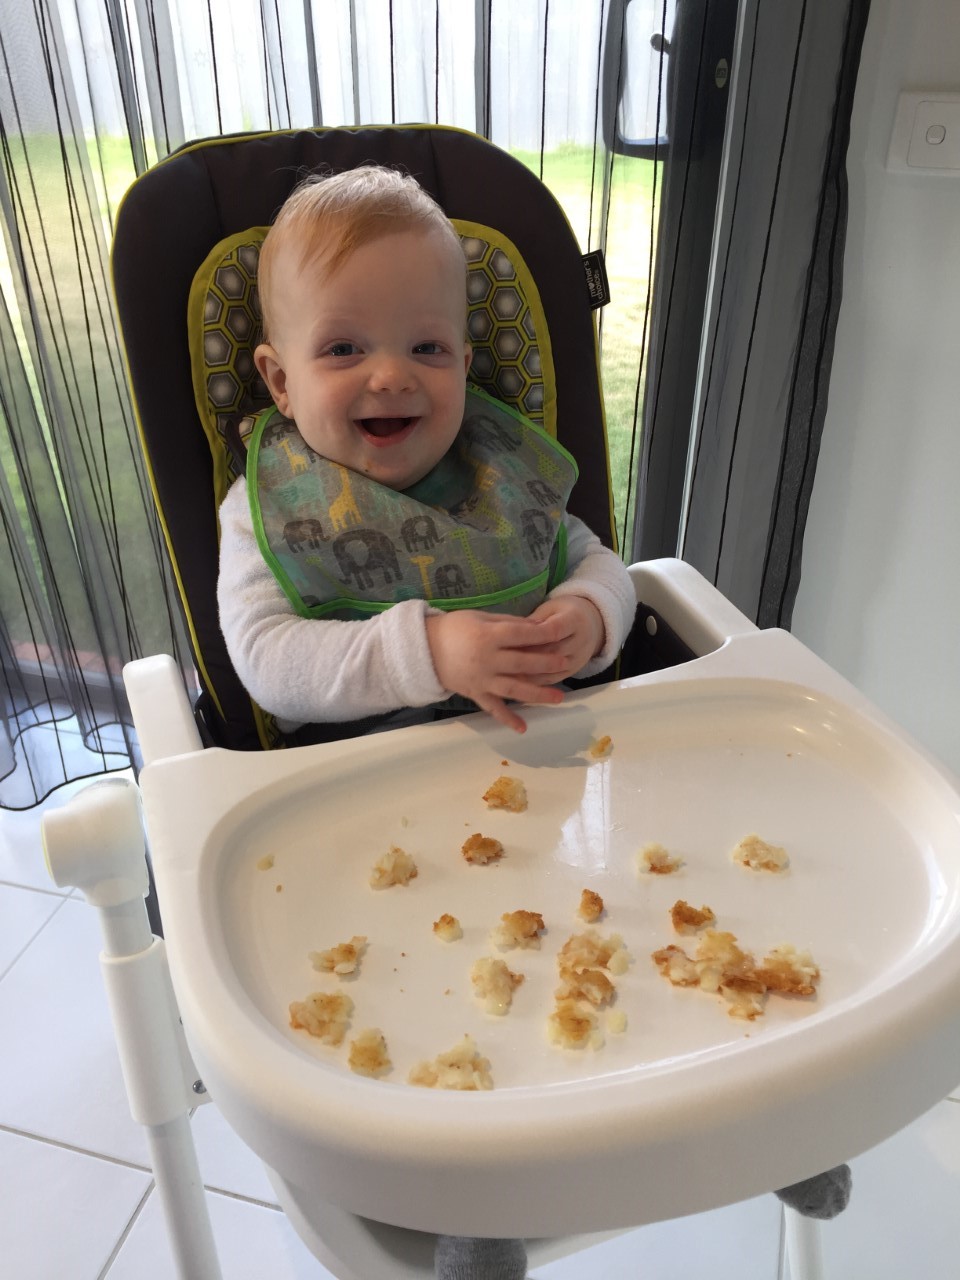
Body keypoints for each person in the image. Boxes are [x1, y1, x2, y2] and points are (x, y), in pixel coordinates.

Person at [216, 165, 849, 1280]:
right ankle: (479, 1204)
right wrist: (427, 647)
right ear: (277, 375)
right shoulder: (269, 511)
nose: (390, 374)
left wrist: (589, 616)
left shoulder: (499, 479)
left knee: (669, 926)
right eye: (343, 347)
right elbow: (269, 665)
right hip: (360, 834)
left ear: (466, 361)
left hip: (544, 790)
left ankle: (773, 1112)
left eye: (427, 346)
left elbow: (605, 566)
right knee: (434, 1000)